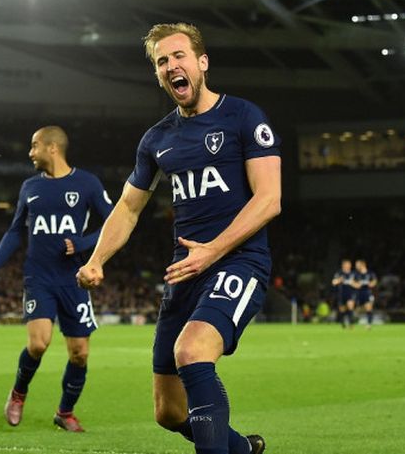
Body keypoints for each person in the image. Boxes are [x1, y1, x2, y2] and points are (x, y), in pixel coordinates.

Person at [77, 23, 280, 454]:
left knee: (191, 350)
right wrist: (97, 259)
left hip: (239, 261)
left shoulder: (244, 117)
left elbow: (269, 199)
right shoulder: (157, 139)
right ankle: (241, 450)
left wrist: (214, 250)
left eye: (179, 56)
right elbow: (129, 207)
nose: (172, 66)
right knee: (169, 412)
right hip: (185, 271)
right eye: (162, 62)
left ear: (202, 63)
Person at [0, 125, 113, 432]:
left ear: (52, 148)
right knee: (39, 344)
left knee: (79, 353)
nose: (30, 152)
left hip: (75, 279)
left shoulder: (87, 183)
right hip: (39, 277)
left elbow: (114, 221)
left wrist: (82, 244)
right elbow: (15, 231)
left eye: (34, 146)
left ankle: (64, 412)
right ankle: (18, 394)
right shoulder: (29, 187)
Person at [332, 259, 356, 328]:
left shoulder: (353, 273)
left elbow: (358, 284)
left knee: (350, 307)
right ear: (343, 265)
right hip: (341, 293)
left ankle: (351, 323)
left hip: (350, 293)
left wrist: (353, 283)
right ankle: (343, 323)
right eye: (346, 264)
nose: (347, 266)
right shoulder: (339, 273)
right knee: (342, 309)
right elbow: (334, 282)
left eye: (349, 264)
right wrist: (340, 280)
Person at [354, 259, 377, 329]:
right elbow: (353, 282)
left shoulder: (370, 273)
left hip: (368, 293)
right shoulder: (357, 274)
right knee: (358, 310)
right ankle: (353, 321)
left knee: (369, 308)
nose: (356, 266)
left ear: (363, 265)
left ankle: (369, 324)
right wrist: (357, 285)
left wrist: (371, 284)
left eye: (357, 265)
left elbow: (374, 281)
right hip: (359, 293)